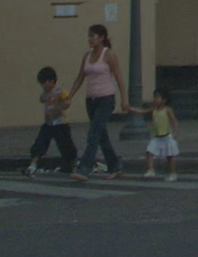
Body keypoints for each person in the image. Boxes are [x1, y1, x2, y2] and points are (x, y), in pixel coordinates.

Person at [64, 23, 127, 181]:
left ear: (102, 37)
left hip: (106, 99)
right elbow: (80, 77)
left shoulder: (108, 55)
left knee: (93, 134)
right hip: (91, 100)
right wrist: (70, 96)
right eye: (89, 35)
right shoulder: (87, 56)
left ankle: (84, 168)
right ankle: (115, 165)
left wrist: (124, 99)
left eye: (93, 36)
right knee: (101, 135)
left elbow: (119, 77)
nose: (90, 39)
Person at [23, 66, 79, 176]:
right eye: (42, 84)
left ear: (52, 81)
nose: (43, 86)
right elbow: (43, 100)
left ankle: (72, 163)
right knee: (40, 142)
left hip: (61, 124)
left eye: (45, 83)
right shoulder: (44, 94)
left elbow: (67, 102)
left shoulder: (60, 92)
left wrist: (60, 105)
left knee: (66, 144)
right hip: (48, 124)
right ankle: (33, 164)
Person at [141, 89, 181, 181]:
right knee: (150, 152)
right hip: (156, 137)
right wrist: (131, 109)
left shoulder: (168, 110)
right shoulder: (154, 110)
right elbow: (142, 111)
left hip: (167, 137)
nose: (155, 99)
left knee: (169, 156)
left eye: (157, 97)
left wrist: (175, 131)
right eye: (154, 97)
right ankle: (151, 170)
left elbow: (174, 121)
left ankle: (172, 173)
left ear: (164, 100)